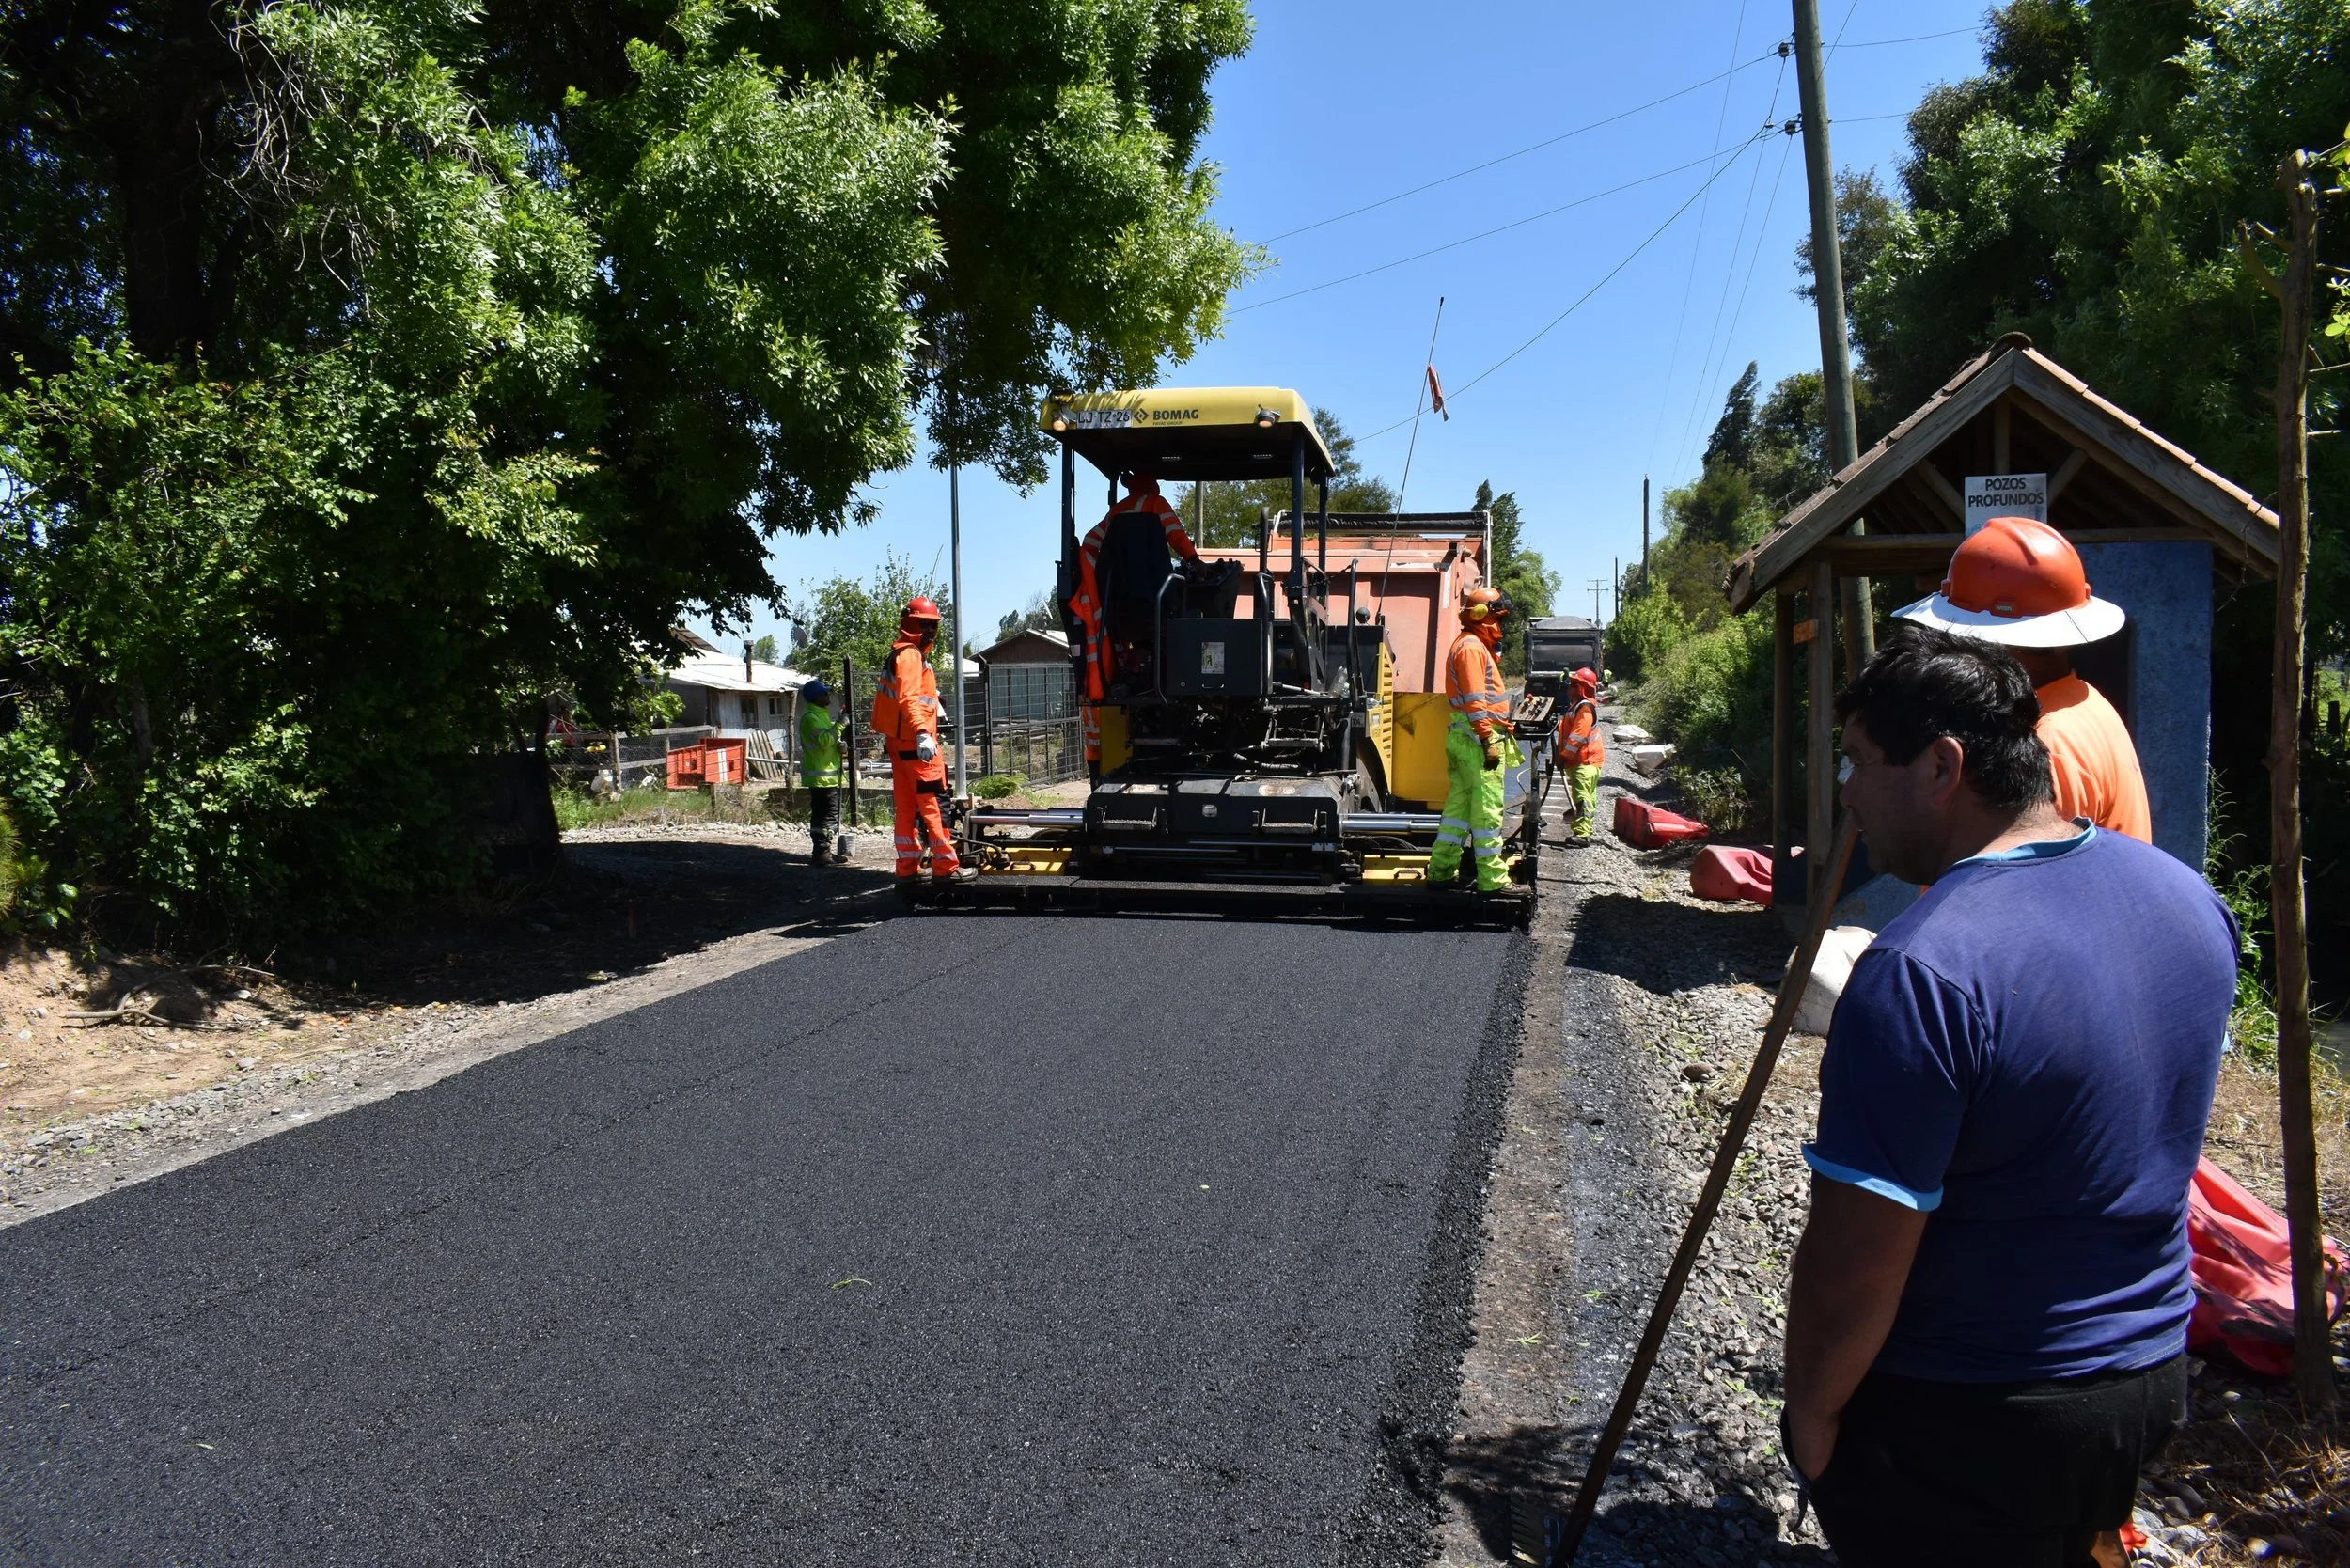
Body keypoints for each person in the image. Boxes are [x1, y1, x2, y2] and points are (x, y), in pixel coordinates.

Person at [1782, 623, 2236, 1568]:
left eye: (1859, 763)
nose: (1846, 792)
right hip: (2146, 1376)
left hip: (1973, 1410)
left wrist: (1812, 1416)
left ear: (1942, 767)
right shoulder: (2188, 901)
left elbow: (1855, 1259)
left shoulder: (1922, 970)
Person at [1894, 514, 2151, 841]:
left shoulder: (2042, 748)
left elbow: (2020, 883)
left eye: (1960, 635)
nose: (1954, 652)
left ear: (1998, 641)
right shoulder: (2082, 701)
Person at [1069, 473, 1200, 772]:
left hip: (1119, 611)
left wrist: (1098, 581)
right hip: (1158, 604)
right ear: (1152, 484)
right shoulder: (1155, 503)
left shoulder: (1116, 512)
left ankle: (1136, 673)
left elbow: (1089, 542)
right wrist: (1194, 560)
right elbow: (1177, 537)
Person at [1427, 585, 1522, 892]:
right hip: (1477, 743)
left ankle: (1441, 872)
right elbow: (1475, 701)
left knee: (1457, 812)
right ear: (1485, 616)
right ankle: (1493, 880)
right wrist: (1488, 740)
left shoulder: (1471, 645)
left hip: (1466, 740)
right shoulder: (1470, 648)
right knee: (1487, 813)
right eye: (1500, 618)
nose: (1502, 625)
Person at [870, 598, 972, 885]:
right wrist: (923, 733)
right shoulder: (911, 656)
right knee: (935, 805)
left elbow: (910, 698)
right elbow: (909, 699)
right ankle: (947, 868)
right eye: (924, 624)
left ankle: (907, 869)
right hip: (917, 748)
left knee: (907, 808)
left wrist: (934, 708)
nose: (929, 631)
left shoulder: (900, 654)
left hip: (900, 745)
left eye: (932, 625)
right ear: (911, 625)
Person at [797, 678, 844, 866]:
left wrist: (840, 746)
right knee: (826, 815)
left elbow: (829, 742)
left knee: (827, 814)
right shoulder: (811, 718)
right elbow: (824, 741)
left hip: (827, 775)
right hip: (820, 777)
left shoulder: (821, 714)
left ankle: (825, 851)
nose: (828, 695)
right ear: (816, 697)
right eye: (825, 693)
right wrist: (840, 725)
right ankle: (821, 852)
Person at [1555, 665, 1604, 845]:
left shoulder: (1584, 709)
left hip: (1585, 760)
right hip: (1585, 761)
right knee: (1587, 798)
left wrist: (1564, 756)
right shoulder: (1577, 707)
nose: (1569, 686)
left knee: (1582, 798)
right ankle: (1584, 830)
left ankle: (1582, 835)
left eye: (1574, 684)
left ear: (1581, 688)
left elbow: (1578, 736)